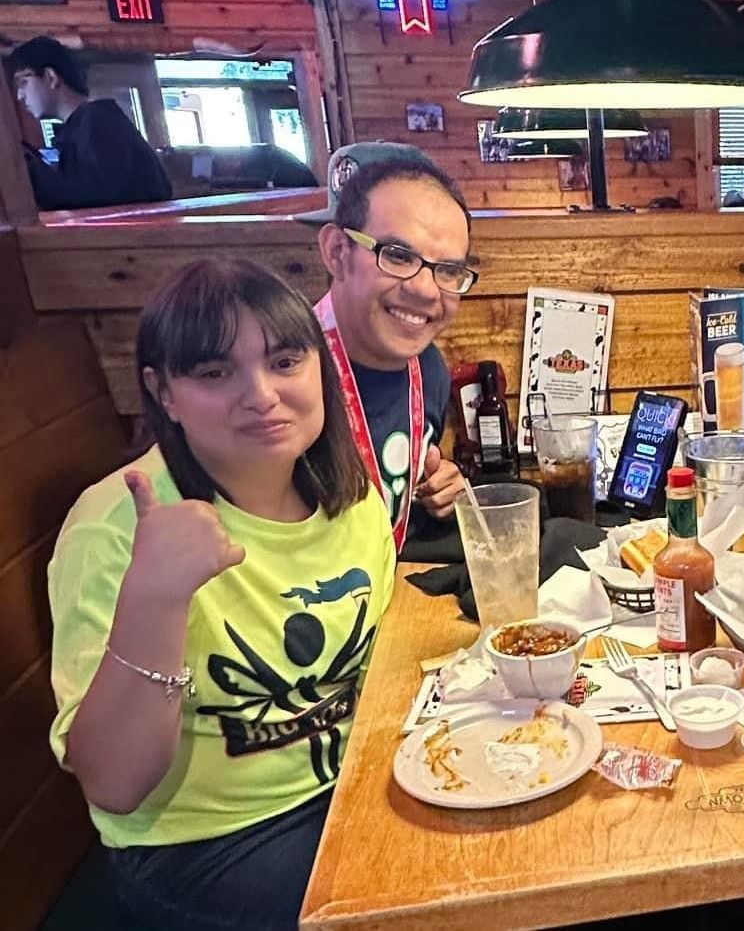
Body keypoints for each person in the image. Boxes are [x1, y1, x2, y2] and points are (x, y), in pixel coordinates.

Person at [47, 258, 396, 930]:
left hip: (351, 790)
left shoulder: (353, 502)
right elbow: (114, 786)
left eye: (286, 362)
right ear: (164, 392)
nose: (261, 394)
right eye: (214, 373)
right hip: (206, 844)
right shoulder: (114, 526)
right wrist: (155, 596)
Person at [302, 142, 473, 549]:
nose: (425, 290)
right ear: (336, 252)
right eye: (397, 256)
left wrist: (439, 489)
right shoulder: (279, 377)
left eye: (448, 270)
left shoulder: (426, 366)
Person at [6, 36, 172, 210]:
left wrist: (23, 165)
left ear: (51, 77)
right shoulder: (84, 126)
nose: (20, 95)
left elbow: (92, 201)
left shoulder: (100, 123)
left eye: (23, 82)